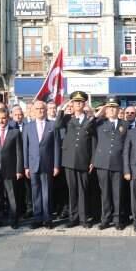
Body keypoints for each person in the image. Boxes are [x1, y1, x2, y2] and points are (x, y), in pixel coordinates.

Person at [55, 91, 96, 228]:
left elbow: (93, 141)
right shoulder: (67, 119)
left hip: (84, 159)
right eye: (75, 102)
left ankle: (84, 218)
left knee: (83, 190)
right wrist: (62, 108)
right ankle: (73, 217)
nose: (78, 104)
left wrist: (92, 160)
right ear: (71, 103)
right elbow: (56, 126)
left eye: (80, 102)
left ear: (84, 104)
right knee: (72, 190)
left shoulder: (90, 120)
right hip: (69, 160)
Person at [91, 98, 128, 230]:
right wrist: (98, 113)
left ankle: (118, 220)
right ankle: (105, 219)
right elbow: (88, 126)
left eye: (114, 107)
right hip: (103, 163)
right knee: (105, 193)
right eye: (109, 107)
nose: (112, 110)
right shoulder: (100, 123)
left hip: (118, 163)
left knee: (117, 193)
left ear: (118, 110)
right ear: (106, 110)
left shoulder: (125, 124)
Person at [23, 100, 60, 229]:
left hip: (47, 164)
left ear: (46, 110)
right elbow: (25, 147)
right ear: (33, 111)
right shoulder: (28, 127)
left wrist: (56, 165)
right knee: (35, 192)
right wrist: (26, 166)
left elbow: (56, 147)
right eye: (37, 109)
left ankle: (48, 218)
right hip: (33, 164)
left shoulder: (52, 125)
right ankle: (37, 217)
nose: (40, 111)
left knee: (47, 192)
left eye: (42, 109)